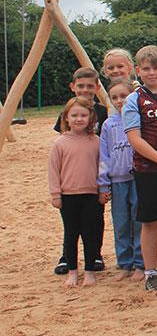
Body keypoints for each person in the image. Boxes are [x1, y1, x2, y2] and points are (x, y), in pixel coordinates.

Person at [123, 46, 157, 292]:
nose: (152, 72)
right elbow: (135, 138)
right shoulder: (133, 100)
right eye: (146, 68)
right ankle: (150, 273)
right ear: (138, 71)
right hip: (148, 169)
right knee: (150, 222)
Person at [52, 67, 108, 275]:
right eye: (81, 86)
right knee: (71, 225)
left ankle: (96, 255)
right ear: (73, 87)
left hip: (93, 176)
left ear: (97, 87)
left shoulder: (102, 110)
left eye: (90, 86)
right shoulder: (69, 109)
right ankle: (67, 257)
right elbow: (62, 138)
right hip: (71, 181)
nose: (85, 90)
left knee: (95, 220)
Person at [98, 79, 144, 282]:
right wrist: (103, 183)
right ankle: (124, 263)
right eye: (114, 97)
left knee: (138, 221)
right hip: (117, 182)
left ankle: (140, 263)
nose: (119, 101)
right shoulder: (109, 124)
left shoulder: (138, 119)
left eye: (123, 96)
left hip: (138, 178)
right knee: (121, 222)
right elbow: (104, 155)